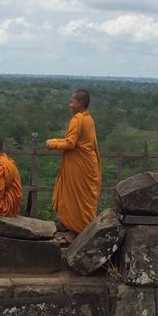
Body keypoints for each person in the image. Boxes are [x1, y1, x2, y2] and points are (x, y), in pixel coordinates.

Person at [46, 89, 101, 240]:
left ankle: (78, 231)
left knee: (76, 198)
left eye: (72, 101)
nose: (70, 104)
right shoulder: (88, 118)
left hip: (79, 165)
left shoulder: (78, 119)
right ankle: (78, 229)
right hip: (86, 163)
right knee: (82, 198)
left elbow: (70, 143)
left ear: (80, 103)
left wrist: (53, 143)